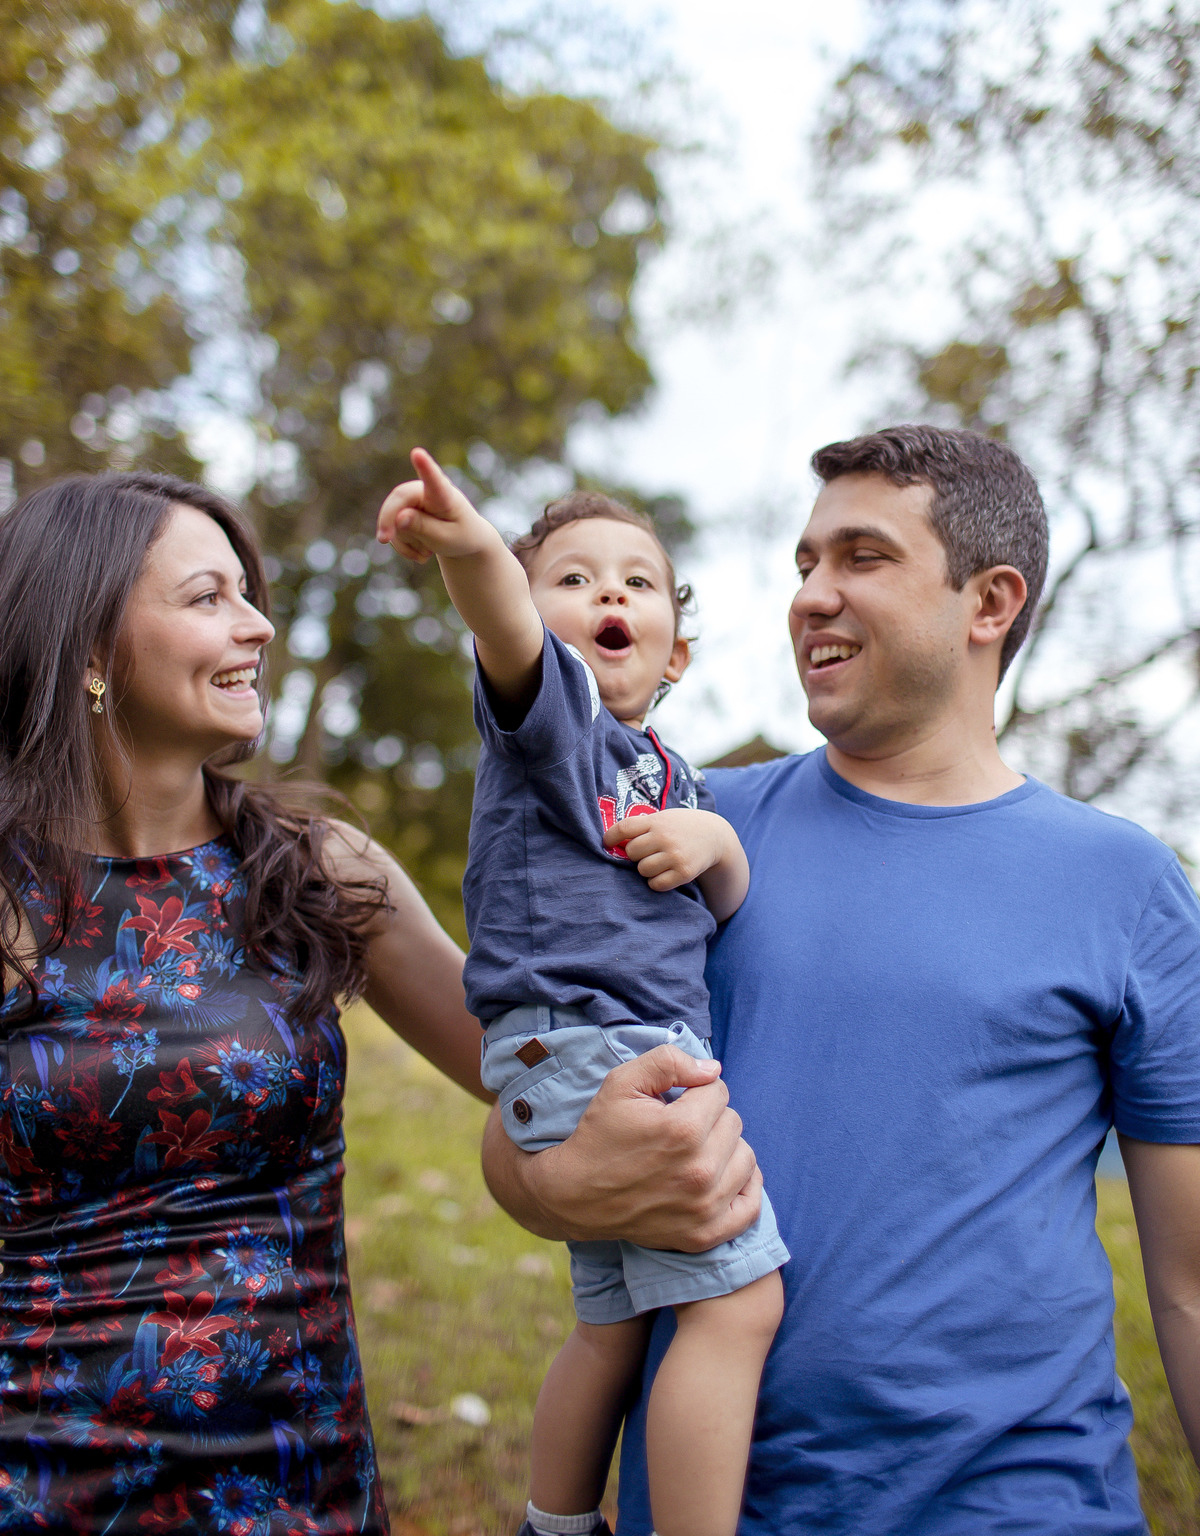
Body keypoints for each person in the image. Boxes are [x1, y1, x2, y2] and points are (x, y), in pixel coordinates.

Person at [482, 424, 1200, 1536]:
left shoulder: (1130, 887)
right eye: (804, 564)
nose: (812, 594)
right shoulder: (679, 829)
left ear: (990, 601)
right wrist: (554, 1185)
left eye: (861, 558)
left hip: (1021, 1507)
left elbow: (1191, 1290)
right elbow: (530, 1091)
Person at [0, 469, 485, 1533]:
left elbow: (522, 1069)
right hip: (37, 1488)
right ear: (87, 649)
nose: (258, 625)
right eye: (207, 597)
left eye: (248, 592)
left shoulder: (321, 873)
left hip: (294, 1485)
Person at [376, 451, 788, 1536]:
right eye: (572, 578)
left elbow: (726, 902)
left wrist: (720, 845)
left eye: (638, 581)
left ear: (678, 650)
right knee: (737, 1300)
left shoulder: (672, 771)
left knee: (612, 1329)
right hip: (593, 1039)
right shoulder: (554, 722)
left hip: (588, 1046)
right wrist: (470, 549)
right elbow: (509, 632)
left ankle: (554, 1524)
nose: (609, 593)